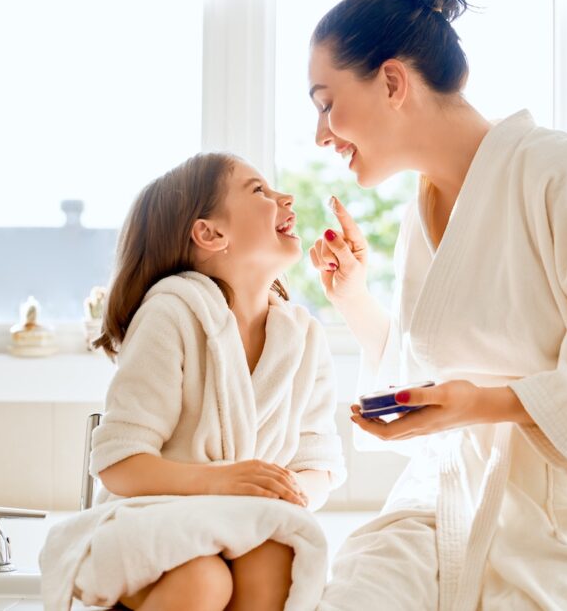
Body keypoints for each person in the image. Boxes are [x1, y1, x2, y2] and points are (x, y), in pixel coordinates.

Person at [307, 0, 567, 610]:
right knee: (359, 588)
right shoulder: (423, 208)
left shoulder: (558, 171)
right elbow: (429, 373)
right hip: (454, 484)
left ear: (392, 82)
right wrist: (354, 298)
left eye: (327, 105)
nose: (322, 134)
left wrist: (484, 404)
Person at [38, 153, 345, 611]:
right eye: (259, 190)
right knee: (203, 580)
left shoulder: (302, 338)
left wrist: (287, 492)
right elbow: (119, 463)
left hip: (249, 526)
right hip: (154, 522)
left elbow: (316, 462)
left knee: (275, 560)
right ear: (210, 233)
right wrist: (223, 481)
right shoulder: (172, 313)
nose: (286, 197)